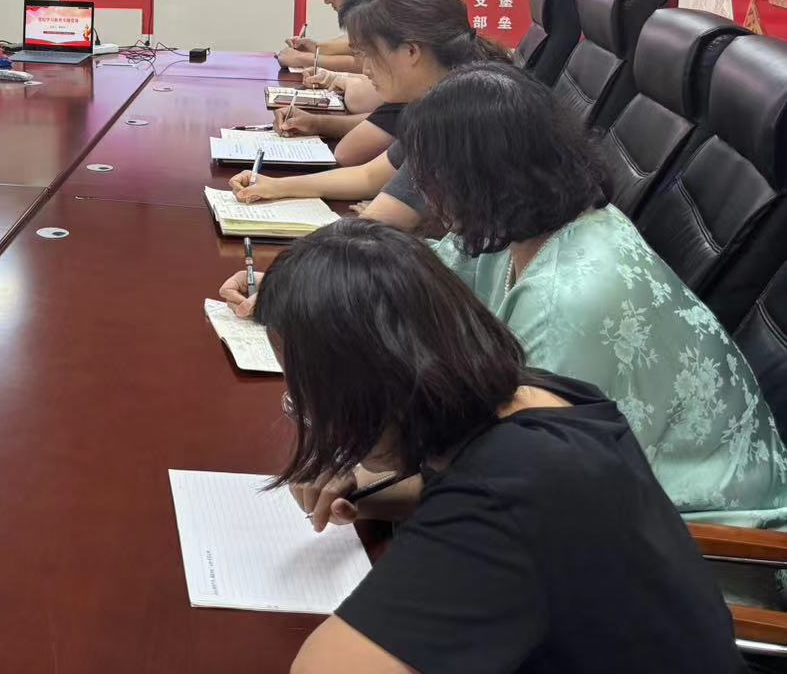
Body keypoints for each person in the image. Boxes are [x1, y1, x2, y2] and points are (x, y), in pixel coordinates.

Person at [255, 219, 743, 674]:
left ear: (366, 391)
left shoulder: (512, 491)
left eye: (307, 398)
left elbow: (324, 667)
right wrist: (373, 496)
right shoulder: (536, 397)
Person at [398, 61, 787, 530]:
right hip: (611, 499)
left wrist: (378, 483)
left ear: (481, 180)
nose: (427, 195)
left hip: (705, 538)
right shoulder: (534, 221)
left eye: (433, 178)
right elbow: (434, 272)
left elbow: (520, 476)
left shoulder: (565, 302)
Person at [224, 0, 509, 254]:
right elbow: (370, 175)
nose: (365, 70)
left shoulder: (459, 115)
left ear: (411, 51)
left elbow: (377, 224)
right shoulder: (449, 96)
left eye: (371, 55)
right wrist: (275, 186)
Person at [276, 0, 420, 166]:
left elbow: (351, 153)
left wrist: (318, 66)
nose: (364, 68)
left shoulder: (433, 104)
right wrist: (316, 120)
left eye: (368, 53)